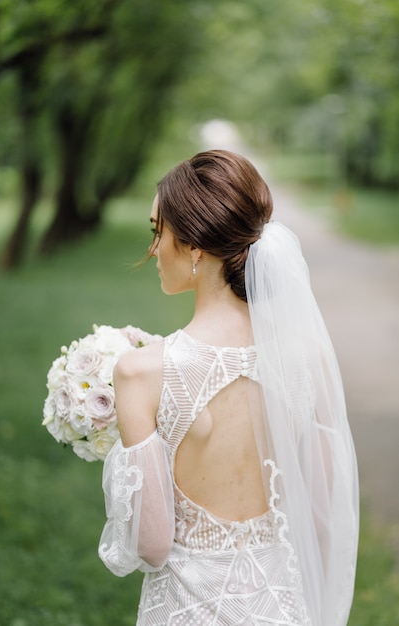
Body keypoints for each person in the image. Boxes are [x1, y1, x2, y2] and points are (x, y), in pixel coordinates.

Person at [98, 149, 359, 625]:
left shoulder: (140, 373)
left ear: (195, 245)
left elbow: (153, 546)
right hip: (281, 605)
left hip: (185, 609)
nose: (154, 250)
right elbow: (324, 520)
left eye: (159, 232)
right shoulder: (311, 358)